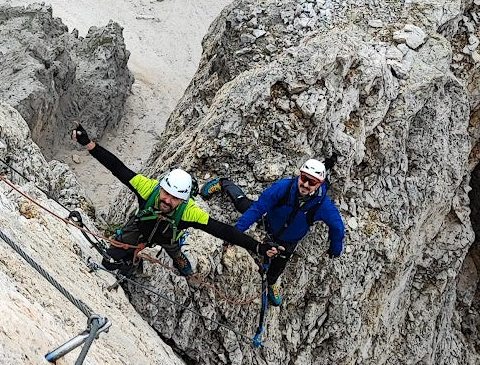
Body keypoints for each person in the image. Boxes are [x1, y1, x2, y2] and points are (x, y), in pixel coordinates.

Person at [72, 123, 260, 279]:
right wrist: (88, 144)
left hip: (168, 236)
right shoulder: (147, 188)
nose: (167, 200)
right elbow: (117, 168)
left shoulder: (189, 212)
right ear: (160, 187)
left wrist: (258, 247)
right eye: (166, 193)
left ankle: (177, 255)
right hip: (140, 228)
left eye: (175, 198)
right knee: (110, 262)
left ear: (184, 200)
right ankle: (131, 265)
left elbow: (224, 231)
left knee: (172, 246)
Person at [200, 160, 344, 306]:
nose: (306, 184)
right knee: (242, 204)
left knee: (279, 264)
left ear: (319, 184)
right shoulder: (283, 188)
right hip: (268, 221)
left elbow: (337, 227)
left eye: (312, 182)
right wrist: (236, 233)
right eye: (304, 179)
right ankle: (223, 183)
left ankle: (271, 282)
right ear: (299, 175)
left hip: (290, 239)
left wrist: (335, 248)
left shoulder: (323, 205)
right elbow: (258, 208)